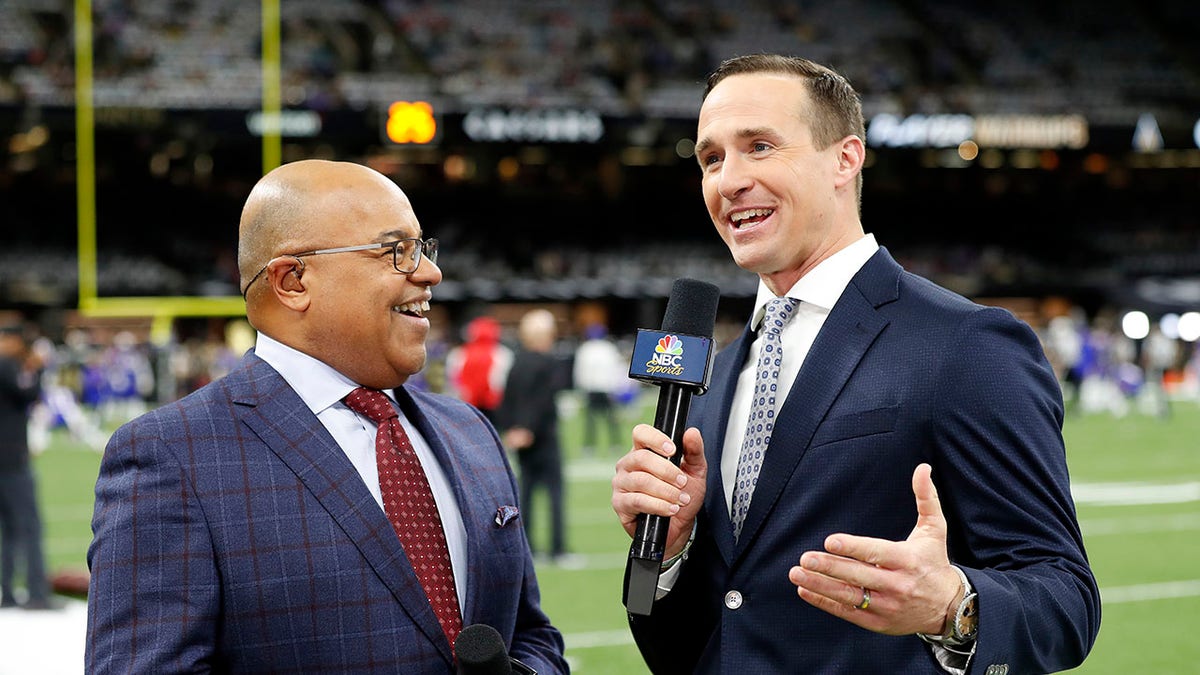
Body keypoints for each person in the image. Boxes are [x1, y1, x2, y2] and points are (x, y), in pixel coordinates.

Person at [611, 54, 1099, 674]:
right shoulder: (713, 376)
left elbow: (1065, 598)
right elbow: (712, 631)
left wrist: (954, 606)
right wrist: (670, 555)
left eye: (759, 146)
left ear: (845, 159)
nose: (727, 180)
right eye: (711, 158)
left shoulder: (968, 345)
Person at [86, 160, 568, 674]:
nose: (430, 272)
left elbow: (530, 636)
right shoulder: (173, 455)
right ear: (293, 280)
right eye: (396, 251)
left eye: (422, 249)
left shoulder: (469, 431)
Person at [497, 309, 572, 564]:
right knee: (555, 493)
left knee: (526, 493)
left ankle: (527, 547)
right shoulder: (548, 363)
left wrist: (512, 429)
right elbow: (541, 401)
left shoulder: (516, 362)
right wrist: (527, 428)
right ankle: (558, 548)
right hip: (543, 436)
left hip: (522, 437)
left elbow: (507, 399)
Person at [0, 320, 57, 611]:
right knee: (29, 525)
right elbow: (29, 393)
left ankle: (7, 592)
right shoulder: (7, 365)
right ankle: (36, 592)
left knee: (8, 528)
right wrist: (38, 368)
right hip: (11, 460)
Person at [446, 315, 513, 424]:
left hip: (466, 403)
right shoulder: (502, 354)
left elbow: (454, 380)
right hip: (494, 405)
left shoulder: (459, 354)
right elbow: (502, 382)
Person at [572, 323, 625, 456]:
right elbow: (616, 369)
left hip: (592, 389)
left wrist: (580, 389)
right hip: (606, 388)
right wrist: (616, 387)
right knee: (610, 420)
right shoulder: (609, 348)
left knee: (591, 421)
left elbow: (580, 372)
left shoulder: (585, 349)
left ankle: (590, 447)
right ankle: (615, 444)